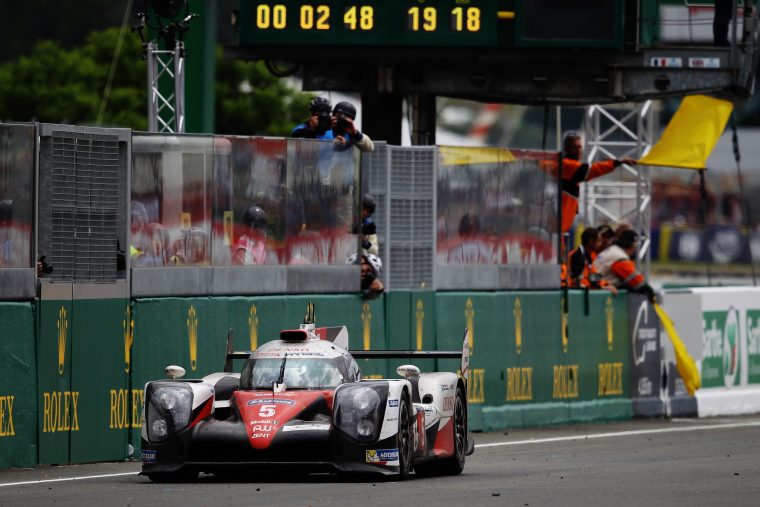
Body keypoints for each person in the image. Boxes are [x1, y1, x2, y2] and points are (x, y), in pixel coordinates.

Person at [544, 133, 637, 235]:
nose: (578, 151)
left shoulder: (563, 164)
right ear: (567, 148)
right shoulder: (567, 165)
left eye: (580, 147)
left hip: (561, 227)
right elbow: (592, 170)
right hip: (557, 228)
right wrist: (617, 162)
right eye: (575, 147)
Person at [594, 229, 655, 303]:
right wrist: (650, 293)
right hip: (598, 294)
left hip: (596, 289)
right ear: (632, 246)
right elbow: (637, 282)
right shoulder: (619, 257)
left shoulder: (611, 251)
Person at [567, 227, 618, 294]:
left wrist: (606, 285)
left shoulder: (589, 256)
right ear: (591, 241)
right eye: (599, 241)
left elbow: (594, 277)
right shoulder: (577, 256)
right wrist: (600, 287)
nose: (600, 244)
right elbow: (578, 281)